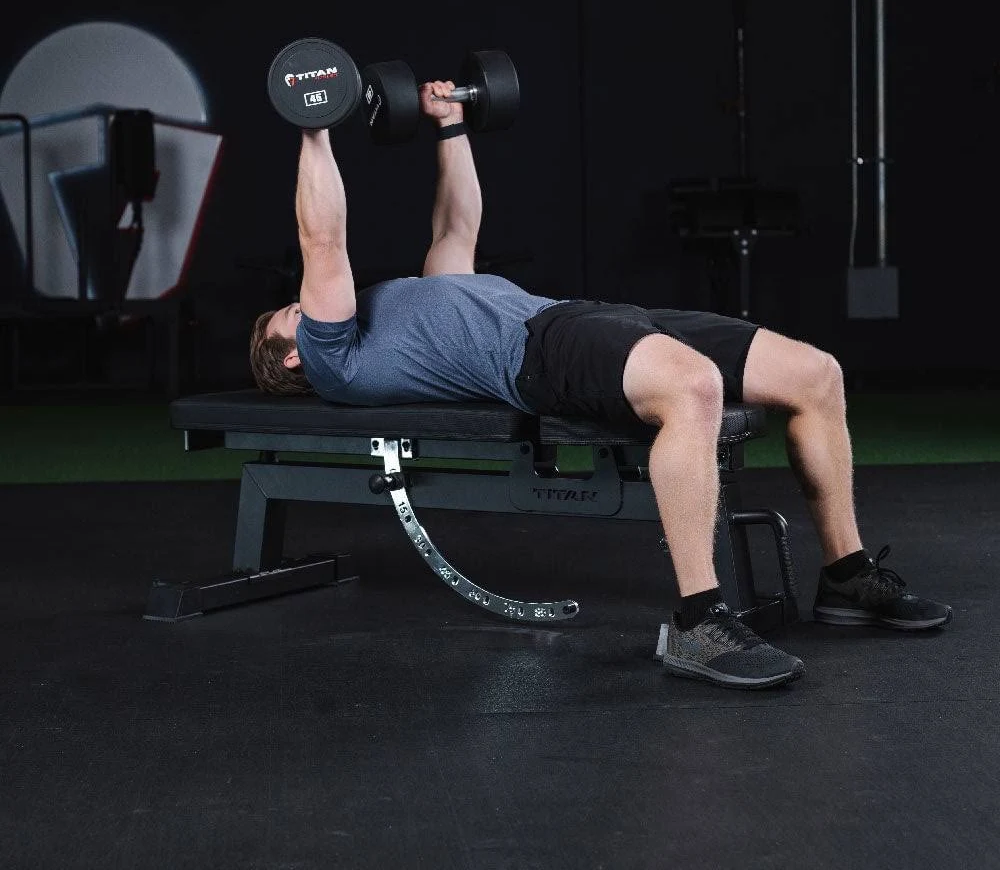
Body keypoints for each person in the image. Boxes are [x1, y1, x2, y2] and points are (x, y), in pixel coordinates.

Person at [249, 78, 952, 691]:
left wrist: (451, 125)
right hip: (538, 354)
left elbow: (456, 225)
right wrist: (315, 125)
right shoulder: (336, 358)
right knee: (694, 388)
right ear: (293, 359)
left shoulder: (409, 305)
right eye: (293, 312)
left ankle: (846, 575)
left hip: (583, 316)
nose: (307, 303)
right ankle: (699, 623)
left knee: (815, 374)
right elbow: (323, 240)